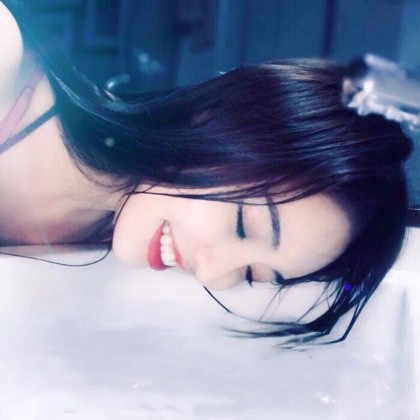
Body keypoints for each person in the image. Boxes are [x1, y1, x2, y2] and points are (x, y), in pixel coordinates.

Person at [0, 1, 413, 345]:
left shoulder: (92, 238)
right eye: (242, 225)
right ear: (218, 123)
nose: (215, 274)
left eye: (253, 274)